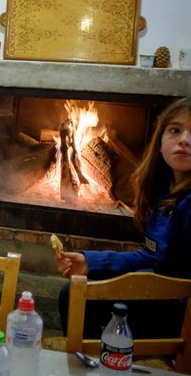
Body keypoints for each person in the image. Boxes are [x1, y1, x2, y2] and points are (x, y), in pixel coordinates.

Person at [55, 97, 191, 338]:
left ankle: (103, 355)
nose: (185, 139)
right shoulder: (164, 191)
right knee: (74, 293)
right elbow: (152, 256)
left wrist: (118, 280)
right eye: (175, 130)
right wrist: (92, 263)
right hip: (158, 294)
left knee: (76, 295)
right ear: (160, 143)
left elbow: (164, 271)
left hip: (179, 311)